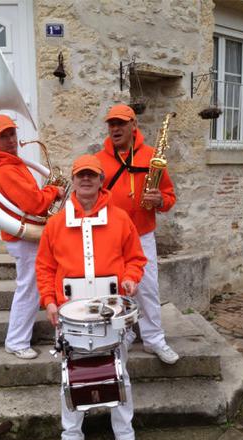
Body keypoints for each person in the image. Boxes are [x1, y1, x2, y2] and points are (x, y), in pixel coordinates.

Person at [36, 154, 146, 440]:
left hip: (109, 312)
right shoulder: (56, 223)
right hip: (69, 316)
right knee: (70, 378)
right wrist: (49, 301)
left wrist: (130, 278)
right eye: (81, 175)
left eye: (92, 175)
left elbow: (135, 258)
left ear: (100, 180)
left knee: (119, 374)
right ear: (74, 180)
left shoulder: (121, 218)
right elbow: (44, 266)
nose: (86, 180)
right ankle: (71, 438)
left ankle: (125, 434)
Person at [95, 104, 179, 365]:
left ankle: (154, 339)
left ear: (133, 126)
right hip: (110, 237)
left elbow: (170, 197)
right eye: (111, 124)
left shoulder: (153, 157)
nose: (115, 128)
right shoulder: (98, 161)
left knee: (148, 288)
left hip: (142, 235)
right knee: (118, 289)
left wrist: (159, 201)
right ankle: (127, 333)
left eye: (121, 123)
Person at [0, 114, 65, 360]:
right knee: (29, 289)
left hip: (25, 235)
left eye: (12, 134)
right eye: (3, 136)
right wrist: (53, 191)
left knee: (32, 287)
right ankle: (16, 341)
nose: (10, 140)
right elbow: (34, 203)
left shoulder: (9, 162)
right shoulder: (6, 168)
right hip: (24, 237)